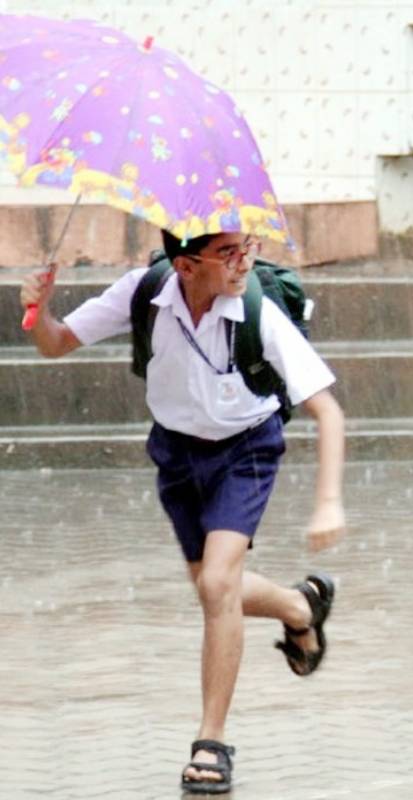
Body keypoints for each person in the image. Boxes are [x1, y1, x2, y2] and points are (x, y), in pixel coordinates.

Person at [20, 230, 347, 793]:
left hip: (246, 449)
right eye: (227, 254)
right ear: (186, 266)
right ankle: (300, 606)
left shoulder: (257, 312)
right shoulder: (144, 293)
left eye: (245, 246)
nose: (243, 261)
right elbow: (56, 343)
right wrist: (39, 307)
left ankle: (211, 742)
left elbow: (328, 411)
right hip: (176, 453)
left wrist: (328, 503)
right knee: (212, 588)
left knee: (219, 584)